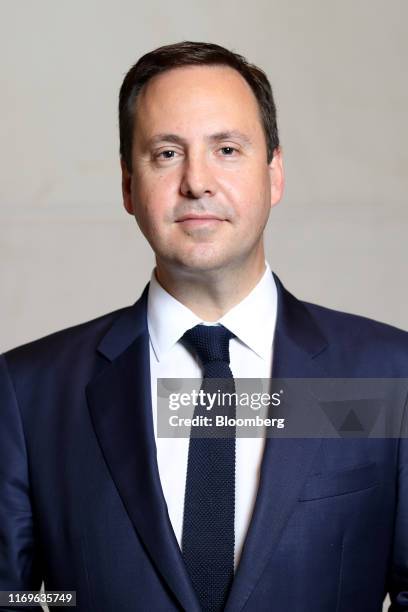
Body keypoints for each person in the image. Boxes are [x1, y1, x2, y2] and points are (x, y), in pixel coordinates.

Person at [0, 41, 407, 612]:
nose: (197, 181)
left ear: (276, 173)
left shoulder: (389, 374)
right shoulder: (27, 392)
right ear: (127, 185)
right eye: (166, 153)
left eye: (227, 149)